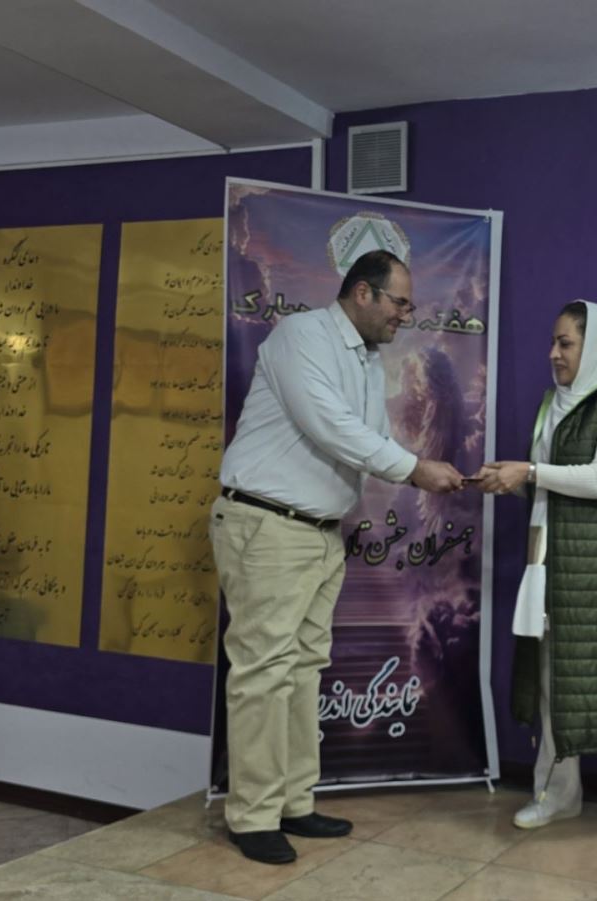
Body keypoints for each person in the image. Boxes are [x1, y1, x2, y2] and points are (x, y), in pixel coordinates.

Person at [210, 249, 464, 864]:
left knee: (302, 668)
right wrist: (415, 469)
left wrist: (427, 466)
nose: (406, 315)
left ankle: (293, 802)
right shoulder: (301, 336)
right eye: (399, 302)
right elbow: (330, 427)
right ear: (363, 293)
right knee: (264, 672)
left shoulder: (368, 360)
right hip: (268, 524)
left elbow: (369, 439)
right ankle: (253, 816)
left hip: (320, 532)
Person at [473, 300, 597, 860]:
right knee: (552, 684)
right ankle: (557, 795)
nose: (553, 354)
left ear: (596, 345)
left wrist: (531, 470)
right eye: (553, 342)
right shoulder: (556, 403)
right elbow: (551, 484)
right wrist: (510, 480)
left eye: (566, 343)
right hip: (550, 564)